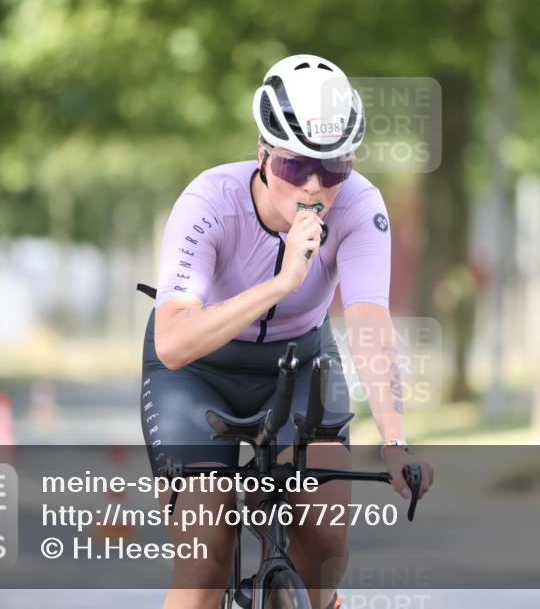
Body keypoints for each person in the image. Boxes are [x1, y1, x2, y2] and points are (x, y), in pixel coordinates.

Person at [140, 54, 434, 609]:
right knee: (204, 563)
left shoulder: (361, 208)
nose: (316, 187)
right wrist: (282, 283)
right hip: (199, 374)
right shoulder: (209, 203)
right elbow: (173, 343)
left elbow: (369, 323)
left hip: (298, 368)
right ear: (263, 155)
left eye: (335, 169)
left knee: (325, 547)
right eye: (297, 168)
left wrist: (396, 443)